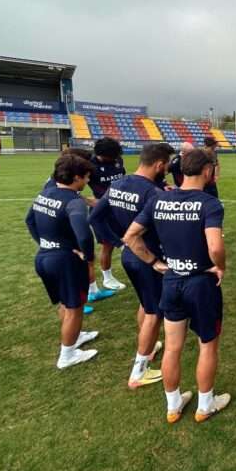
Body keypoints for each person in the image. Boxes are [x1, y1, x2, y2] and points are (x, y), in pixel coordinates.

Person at [123, 148, 230, 424]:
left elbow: (130, 236)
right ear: (207, 171)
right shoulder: (209, 204)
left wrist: (154, 262)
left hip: (171, 281)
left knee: (172, 347)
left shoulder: (159, 199)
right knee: (207, 345)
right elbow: (215, 245)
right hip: (201, 283)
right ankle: (205, 405)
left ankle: (173, 405)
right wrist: (220, 266)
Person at [89, 143, 175, 389]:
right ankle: (139, 371)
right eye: (167, 164)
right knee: (153, 313)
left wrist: (118, 241)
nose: (168, 168)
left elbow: (94, 217)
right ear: (159, 164)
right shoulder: (151, 193)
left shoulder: (118, 184)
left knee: (146, 304)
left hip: (130, 256)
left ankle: (149, 348)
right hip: (149, 258)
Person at [25, 155, 99, 369]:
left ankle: (74, 337)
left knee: (66, 303)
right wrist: (87, 256)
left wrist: (45, 243)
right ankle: (67, 355)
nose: (87, 182)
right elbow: (84, 235)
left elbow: (29, 220)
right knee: (75, 306)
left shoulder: (45, 193)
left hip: (44, 257)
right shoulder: (74, 201)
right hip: (65, 261)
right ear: (76, 177)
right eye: (85, 178)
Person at [88, 137, 127, 293]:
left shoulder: (118, 160)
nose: (114, 159)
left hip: (121, 207)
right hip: (103, 212)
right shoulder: (90, 166)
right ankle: (107, 278)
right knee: (108, 245)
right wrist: (92, 201)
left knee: (133, 237)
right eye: (111, 156)